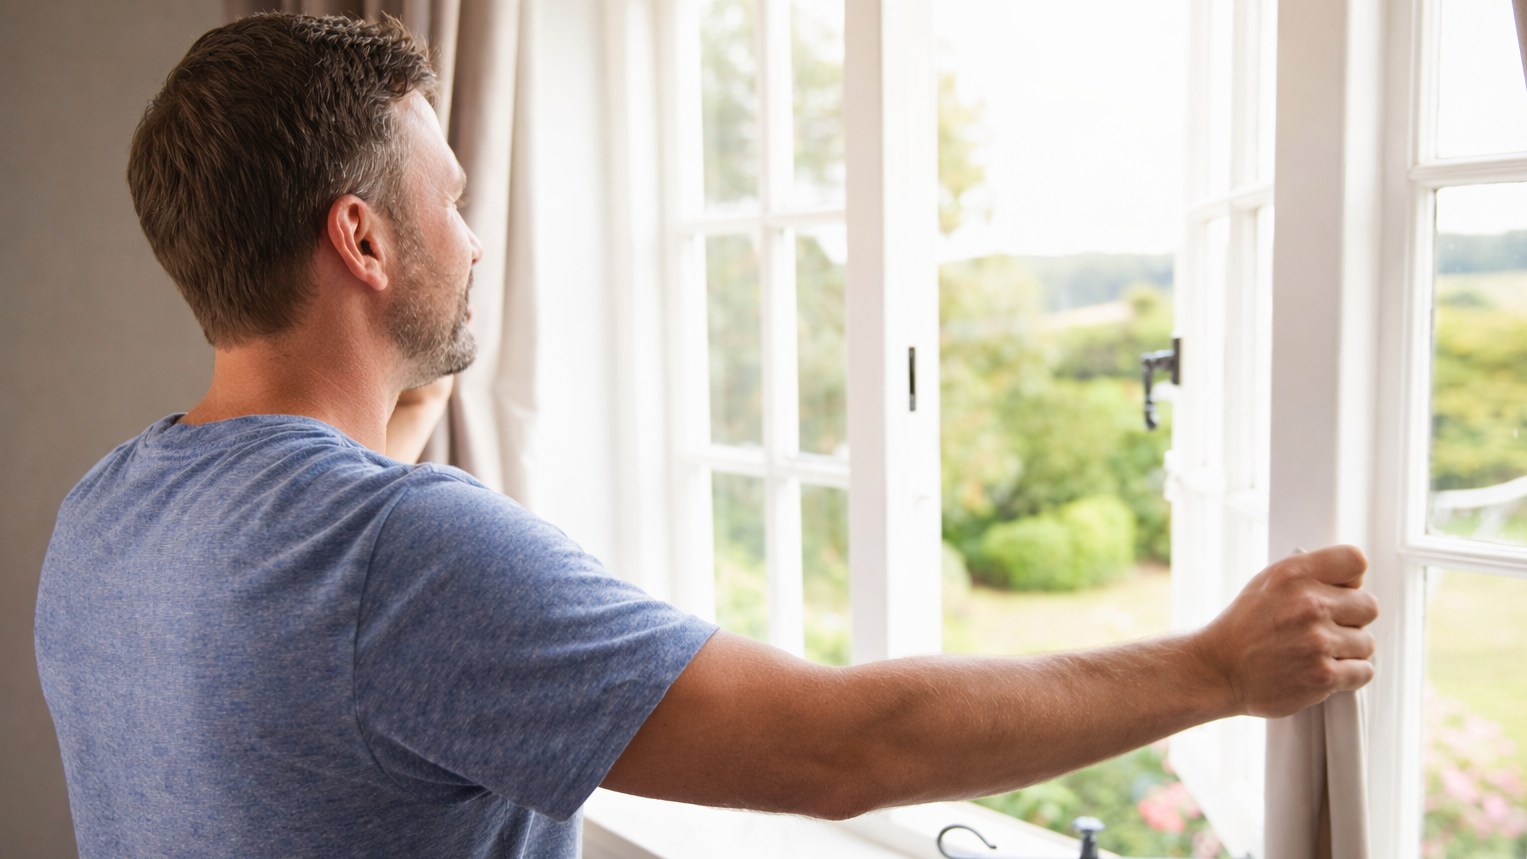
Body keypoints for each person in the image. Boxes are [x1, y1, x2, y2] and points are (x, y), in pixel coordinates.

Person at [34, 13, 1379, 859]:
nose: (478, 230)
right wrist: (1213, 667)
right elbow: (844, 747)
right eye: (449, 199)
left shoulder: (111, 508)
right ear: (363, 238)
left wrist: (401, 361)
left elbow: (329, 665)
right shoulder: (400, 555)